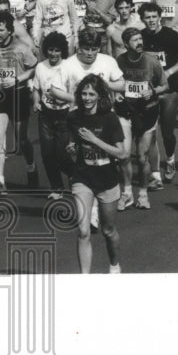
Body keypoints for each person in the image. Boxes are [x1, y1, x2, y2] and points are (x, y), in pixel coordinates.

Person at [66, 74, 127, 274]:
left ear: (100, 96)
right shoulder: (74, 117)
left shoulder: (110, 119)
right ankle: (85, 278)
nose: (87, 98)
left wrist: (95, 140)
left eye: (91, 94)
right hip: (83, 178)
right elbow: (74, 142)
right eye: (83, 93)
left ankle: (115, 265)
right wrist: (73, 147)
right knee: (83, 231)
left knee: (108, 230)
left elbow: (122, 152)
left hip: (107, 180)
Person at [0, 10, 38, 191]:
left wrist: (18, 79)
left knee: (21, 141)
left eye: (1, 30)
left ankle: (31, 166)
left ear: (10, 30)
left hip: (18, 95)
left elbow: (34, 68)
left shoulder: (21, 47)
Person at [115, 27, 168, 210]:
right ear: (125, 44)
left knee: (142, 156)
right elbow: (114, 83)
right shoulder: (119, 61)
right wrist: (117, 94)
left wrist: (152, 90)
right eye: (134, 40)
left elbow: (164, 86)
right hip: (126, 111)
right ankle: (127, 193)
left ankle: (143, 194)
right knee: (123, 155)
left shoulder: (151, 61)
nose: (139, 43)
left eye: (140, 39)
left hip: (147, 111)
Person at [140, 3, 178, 183]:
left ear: (160, 17)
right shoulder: (141, 36)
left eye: (154, 17)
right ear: (142, 19)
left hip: (170, 89)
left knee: (167, 132)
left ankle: (170, 160)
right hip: (149, 90)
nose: (151, 21)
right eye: (147, 17)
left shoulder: (171, 36)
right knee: (150, 132)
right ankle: (155, 172)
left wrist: (170, 72)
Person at [31, 32, 74, 199]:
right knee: (47, 155)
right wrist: (35, 102)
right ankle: (56, 188)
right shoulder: (41, 67)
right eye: (50, 50)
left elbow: (74, 93)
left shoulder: (69, 67)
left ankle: (74, 174)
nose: (53, 54)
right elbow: (36, 89)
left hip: (64, 115)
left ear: (62, 50)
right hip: (46, 115)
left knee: (62, 154)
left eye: (57, 50)